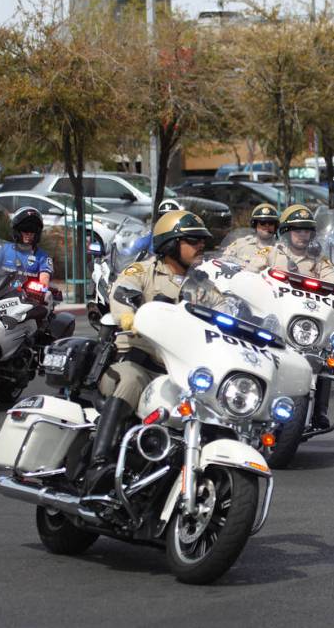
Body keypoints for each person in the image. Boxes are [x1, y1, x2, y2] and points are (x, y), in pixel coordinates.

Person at [85, 210, 212, 492]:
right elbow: (120, 295)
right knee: (131, 382)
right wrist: (130, 317)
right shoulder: (142, 272)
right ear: (170, 244)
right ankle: (99, 462)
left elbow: (227, 308)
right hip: (137, 361)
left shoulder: (203, 284)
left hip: (181, 371)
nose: (200, 245)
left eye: (202, 240)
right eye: (192, 240)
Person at [247, 204, 334, 283]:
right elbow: (249, 276)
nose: (302, 235)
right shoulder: (270, 253)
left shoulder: (319, 260)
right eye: (298, 231)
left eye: (306, 231)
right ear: (287, 233)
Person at [0, 207, 54, 287]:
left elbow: (44, 277)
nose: (29, 234)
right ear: (17, 231)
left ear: (37, 233)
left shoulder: (43, 256)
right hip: (0, 294)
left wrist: (43, 285)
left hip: (28, 297)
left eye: (33, 230)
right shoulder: (4, 248)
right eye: (25, 229)